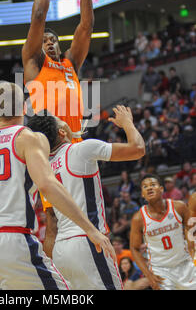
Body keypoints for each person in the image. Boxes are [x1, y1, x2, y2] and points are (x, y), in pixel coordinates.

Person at [0, 81, 116, 290]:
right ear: (24, 108)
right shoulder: (30, 138)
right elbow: (47, 185)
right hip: (12, 239)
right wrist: (90, 229)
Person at [27, 104, 145, 290]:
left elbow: (52, 223)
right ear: (61, 132)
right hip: (88, 241)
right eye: (62, 121)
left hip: (61, 250)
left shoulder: (44, 169)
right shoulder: (82, 149)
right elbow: (137, 149)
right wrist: (128, 123)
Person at [22, 0, 95, 143]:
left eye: (53, 40)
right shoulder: (34, 62)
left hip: (75, 144)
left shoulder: (70, 62)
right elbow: (38, 16)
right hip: (49, 146)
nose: (49, 42)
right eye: (44, 40)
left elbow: (86, 27)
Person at [130, 173, 196, 290]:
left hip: (185, 264)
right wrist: (148, 275)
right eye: (145, 187)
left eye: (153, 185)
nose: (149, 188)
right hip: (161, 270)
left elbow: (191, 229)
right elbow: (134, 249)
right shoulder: (138, 218)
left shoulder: (179, 207)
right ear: (142, 194)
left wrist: (192, 248)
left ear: (161, 189)